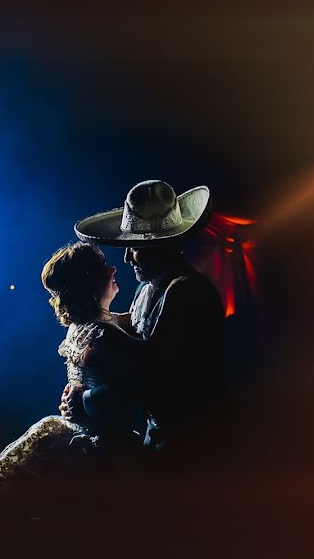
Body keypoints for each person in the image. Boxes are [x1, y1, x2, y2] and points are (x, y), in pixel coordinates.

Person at [0, 242, 146, 559]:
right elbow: (145, 374)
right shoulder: (102, 334)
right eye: (103, 265)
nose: (114, 268)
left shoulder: (87, 325)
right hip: (97, 445)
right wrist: (89, 399)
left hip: (71, 432)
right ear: (88, 282)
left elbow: (124, 323)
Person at [62, 180, 227, 463]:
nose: (126, 258)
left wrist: (87, 400)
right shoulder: (146, 289)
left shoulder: (188, 292)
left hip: (190, 447)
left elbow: (157, 377)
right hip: (157, 439)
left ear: (164, 246)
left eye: (135, 247)